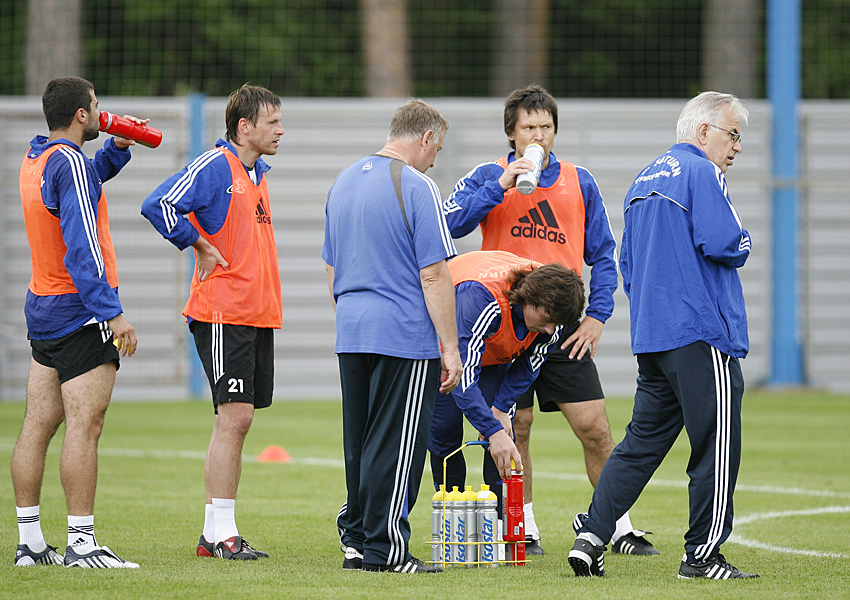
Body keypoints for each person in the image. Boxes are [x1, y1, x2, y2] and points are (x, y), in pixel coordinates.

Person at [442, 84, 656, 556]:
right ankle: (524, 525)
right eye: (529, 127)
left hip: (561, 326)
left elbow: (604, 253)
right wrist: (500, 185)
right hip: (505, 323)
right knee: (515, 425)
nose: (538, 135)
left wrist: (597, 315)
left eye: (546, 126)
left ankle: (617, 525)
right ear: (511, 134)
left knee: (595, 427)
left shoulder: (580, 180)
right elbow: (448, 225)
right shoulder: (489, 174)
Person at [568, 91, 758, 579]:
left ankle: (592, 536)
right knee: (715, 445)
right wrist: (746, 240)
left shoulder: (643, 179)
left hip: (653, 337)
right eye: (733, 135)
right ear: (703, 131)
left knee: (640, 444)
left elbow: (628, 266)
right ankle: (702, 556)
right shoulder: (702, 172)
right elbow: (726, 242)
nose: (737, 147)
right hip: (700, 332)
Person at [141, 84, 284, 561]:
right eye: (272, 122)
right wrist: (197, 243)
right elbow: (157, 203)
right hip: (223, 313)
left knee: (237, 419)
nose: (281, 130)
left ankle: (213, 535)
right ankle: (224, 535)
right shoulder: (215, 165)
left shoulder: (257, 174)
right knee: (235, 418)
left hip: (254, 316)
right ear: (244, 127)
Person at [323, 99, 462, 574]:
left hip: (352, 330)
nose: (434, 160)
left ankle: (358, 540)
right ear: (425, 138)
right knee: (398, 444)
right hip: (402, 333)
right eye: (436, 149)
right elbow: (434, 274)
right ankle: (388, 551)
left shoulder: (343, 182)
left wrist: (353, 317)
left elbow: (331, 266)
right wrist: (450, 348)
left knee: (360, 442)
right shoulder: (418, 186)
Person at [12, 76, 142, 569]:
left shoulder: (39, 156)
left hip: (43, 308)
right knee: (86, 426)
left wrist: (116, 151)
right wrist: (113, 312)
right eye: (96, 105)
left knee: (37, 424)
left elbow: (76, 187)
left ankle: (29, 544)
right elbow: (82, 245)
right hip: (80, 311)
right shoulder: (68, 162)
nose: (102, 113)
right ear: (81, 114)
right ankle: (82, 545)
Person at [428, 251, 586, 515]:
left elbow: (528, 366)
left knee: (503, 432)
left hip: (491, 351)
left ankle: (497, 523)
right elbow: (462, 376)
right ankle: (451, 518)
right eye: (548, 320)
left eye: (556, 323)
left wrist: (501, 408)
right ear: (531, 300)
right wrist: (492, 430)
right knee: (445, 432)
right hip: (447, 349)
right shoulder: (481, 299)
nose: (550, 330)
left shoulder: (553, 312)